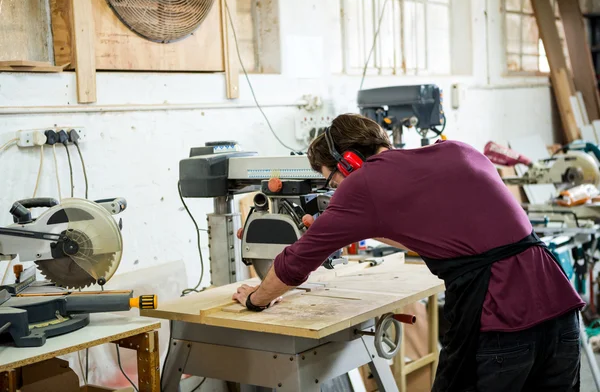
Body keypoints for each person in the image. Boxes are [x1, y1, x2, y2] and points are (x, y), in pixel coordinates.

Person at [232, 113, 584, 391]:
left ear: (349, 163)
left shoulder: (361, 183)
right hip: (560, 307)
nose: (334, 190)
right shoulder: (458, 150)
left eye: (330, 181)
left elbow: (295, 263)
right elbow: (453, 240)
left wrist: (258, 298)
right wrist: (345, 226)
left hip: (501, 316)